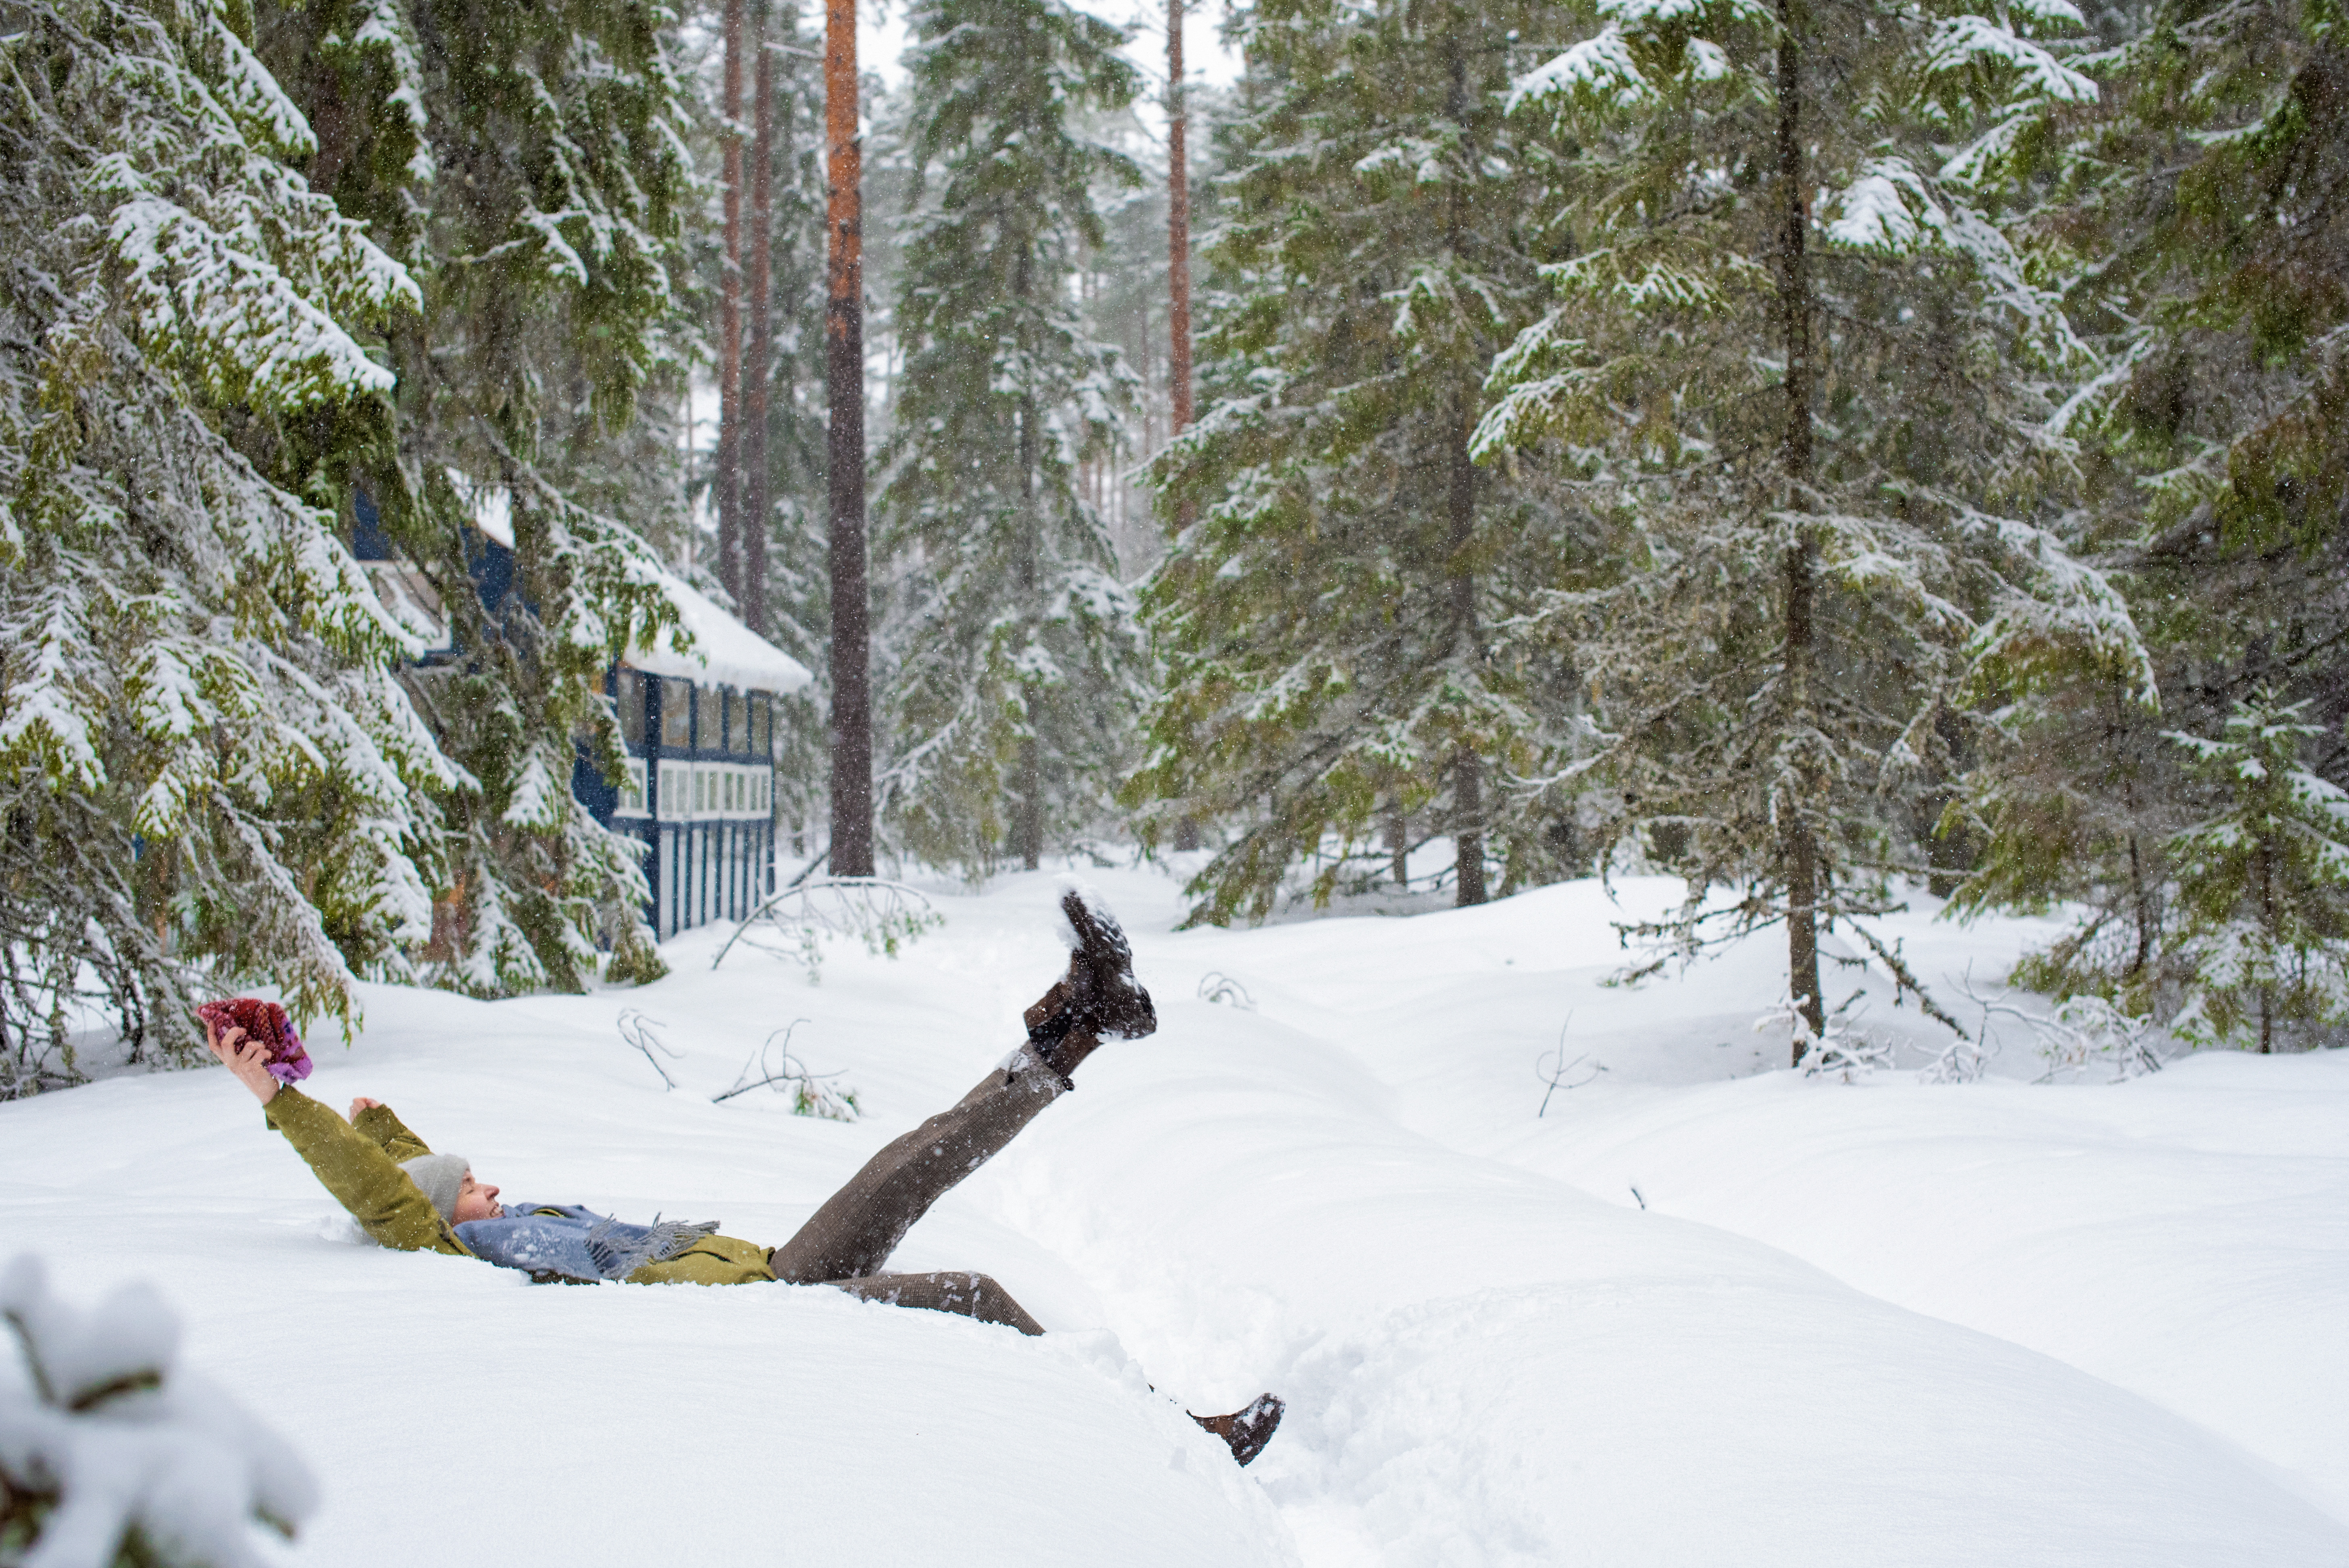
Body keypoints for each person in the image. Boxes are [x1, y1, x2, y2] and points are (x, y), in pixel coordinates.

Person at [206, 887, 1285, 1466]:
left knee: (910, 1159)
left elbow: (400, 1166)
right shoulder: (458, 1244)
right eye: (472, 1183)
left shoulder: (491, 1221)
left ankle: (1081, 1020)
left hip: (778, 1271)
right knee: (981, 1297)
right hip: (779, 1309)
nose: (489, 1183)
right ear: (446, 1215)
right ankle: (1180, 1440)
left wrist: (362, 1105)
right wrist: (275, 1099)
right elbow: (390, 1194)